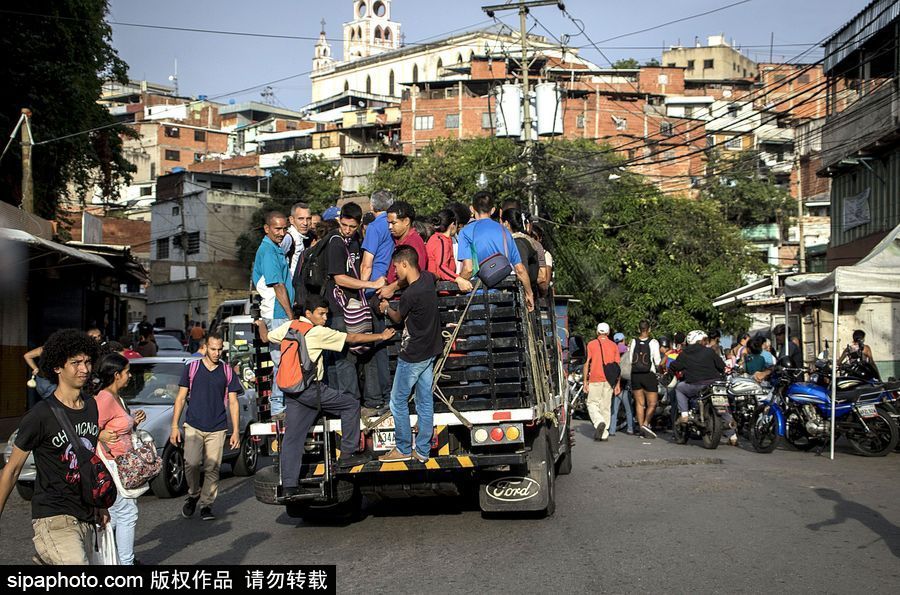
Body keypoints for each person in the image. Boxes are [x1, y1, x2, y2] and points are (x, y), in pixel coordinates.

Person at [256, 296, 395, 497]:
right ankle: (347, 453)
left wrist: (260, 323)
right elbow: (352, 338)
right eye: (321, 314)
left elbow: (266, 337)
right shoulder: (316, 332)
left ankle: (289, 486)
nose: (325, 317)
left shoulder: (289, 326)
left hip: (293, 392)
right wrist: (380, 336)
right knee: (350, 404)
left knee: (292, 438)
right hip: (311, 389)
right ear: (308, 314)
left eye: (327, 314)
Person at [0, 330, 106, 565]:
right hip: (53, 517)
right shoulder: (40, 415)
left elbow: (88, 460)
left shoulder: (91, 406)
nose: (85, 369)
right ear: (57, 367)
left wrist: (99, 504)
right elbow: (13, 469)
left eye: (88, 361)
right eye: (76, 363)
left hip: (86, 515)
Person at [377, 246, 443, 462]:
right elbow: (436, 275)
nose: (395, 272)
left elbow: (397, 318)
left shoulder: (410, 294)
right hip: (431, 349)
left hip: (413, 353)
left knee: (397, 400)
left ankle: (403, 448)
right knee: (424, 401)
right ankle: (422, 451)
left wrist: (386, 307)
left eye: (396, 266)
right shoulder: (426, 279)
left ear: (405, 264)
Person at [169, 333, 242, 521]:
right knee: (191, 463)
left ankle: (206, 505)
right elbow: (180, 398)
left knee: (212, 468)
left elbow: (233, 403)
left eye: (220, 349)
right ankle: (193, 494)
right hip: (193, 424)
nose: (217, 353)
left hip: (217, 426)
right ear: (205, 348)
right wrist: (174, 427)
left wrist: (235, 431)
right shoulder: (191, 368)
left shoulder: (227, 371)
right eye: (213, 349)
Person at [322, 202, 385, 406]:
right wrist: (370, 284)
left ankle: (373, 400)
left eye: (352, 227)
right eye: (344, 225)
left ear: (359, 225)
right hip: (338, 308)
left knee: (366, 351)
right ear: (339, 221)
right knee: (345, 357)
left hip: (357, 306)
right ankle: (351, 403)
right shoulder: (335, 242)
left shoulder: (356, 240)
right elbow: (339, 278)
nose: (347, 230)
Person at [95, 353, 146, 565]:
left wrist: (134, 421)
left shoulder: (118, 397)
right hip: (110, 464)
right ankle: (125, 563)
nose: (129, 376)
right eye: (126, 372)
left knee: (115, 514)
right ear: (116, 375)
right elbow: (86, 429)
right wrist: (99, 434)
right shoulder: (104, 398)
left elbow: (118, 426)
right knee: (127, 513)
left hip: (123, 464)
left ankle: (104, 557)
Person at [457, 191, 534, 312]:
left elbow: (468, 269)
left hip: (479, 297)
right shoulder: (505, 232)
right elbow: (520, 269)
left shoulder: (466, 232)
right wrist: (529, 293)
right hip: (505, 298)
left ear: (472, 209)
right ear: (493, 210)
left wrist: (458, 285)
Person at [252, 211, 295, 419]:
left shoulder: (275, 249)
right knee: (282, 361)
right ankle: (278, 406)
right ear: (267, 228)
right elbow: (278, 286)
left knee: (286, 360)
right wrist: (290, 315)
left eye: (284, 228)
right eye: (277, 229)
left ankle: (282, 404)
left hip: (279, 313)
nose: (281, 232)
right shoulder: (268, 251)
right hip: (278, 314)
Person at [359, 190, 396, 414]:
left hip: (375, 291)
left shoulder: (374, 227)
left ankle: (383, 396)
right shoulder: (395, 225)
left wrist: (362, 293)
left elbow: (367, 264)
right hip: (394, 286)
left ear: (373, 208)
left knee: (378, 347)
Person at [669, 330, 734, 444]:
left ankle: (684, 415)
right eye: (704, 340)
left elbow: (675, 366)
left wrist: (670, 371)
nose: (706, 342)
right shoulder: (710, 351)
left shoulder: (685, 353)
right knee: (723, 405)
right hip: (713, 384)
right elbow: (721, 366)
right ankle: (733, 436)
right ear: (700, 340)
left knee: (679, 388)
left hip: (694, 385)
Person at [377, 201, 429, 299]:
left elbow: (415, 273)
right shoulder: (397, 239)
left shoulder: (414, 242)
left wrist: (391, 288)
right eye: (389, 223)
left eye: (393, 223)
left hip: (404, 301)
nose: (390, 227)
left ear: (406, 221)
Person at [583, 323, 621, 441]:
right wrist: (618, 384)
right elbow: (617, 366)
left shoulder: (591, 344)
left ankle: (599, 421)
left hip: (595, 378)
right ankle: (604, 434)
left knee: (592, 403)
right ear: (608, 333)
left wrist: (585, 381)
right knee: (606, 406)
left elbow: (586, 363)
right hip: (609, 380)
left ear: (597, 332)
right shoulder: (614, 345)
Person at [629, 320, 662, 439]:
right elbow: (657, 361)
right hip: (649, 375)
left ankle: (640, 429)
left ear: (639, 329)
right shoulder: (653, 342)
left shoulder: (633, 341)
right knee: (652, 403)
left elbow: (630, 359)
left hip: (636, 375)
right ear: (649, 329)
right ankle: (646, 424)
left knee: (639, 403)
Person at [501, 208, 544, 298]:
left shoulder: (518, 243)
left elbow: (522, 270)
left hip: (520, 297)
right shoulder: (524, 240)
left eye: (501, 222)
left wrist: (528, 294)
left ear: (506, 224)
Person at [425, 209, 473, 291]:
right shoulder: (441, 241)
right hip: (440, 291)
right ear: (452, 224)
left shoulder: (437, 238)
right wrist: (459, 279)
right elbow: (441, 267)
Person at [610, 332, 634, 436]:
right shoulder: (627, 350)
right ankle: (630, 429)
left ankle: (612, 430)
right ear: (623, 340)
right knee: (629, 409)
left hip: (614, 384)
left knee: (614, 410)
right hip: (625, 384)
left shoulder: (612, 350)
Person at [281, 201, 313, 279]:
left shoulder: (307, 237)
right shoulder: (288, 238)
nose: (305, 223)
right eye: (301, 219)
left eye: (308, 219)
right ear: (292, 220)